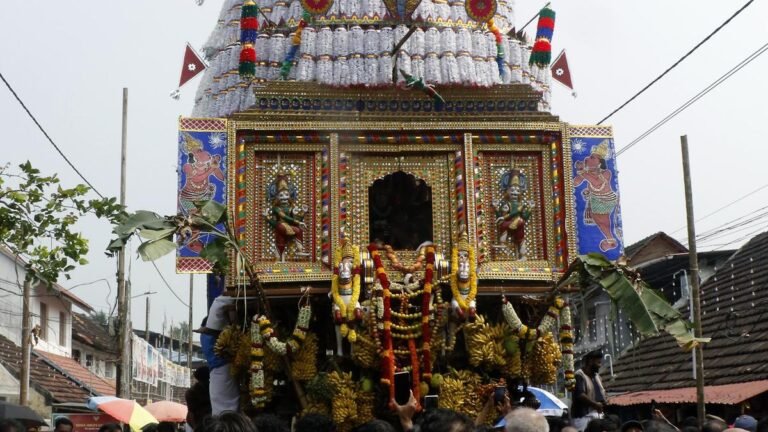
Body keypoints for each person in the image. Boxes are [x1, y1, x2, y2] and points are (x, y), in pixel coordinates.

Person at [572, 351, 606, 432]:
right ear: (590, 361)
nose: (600, 365)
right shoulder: (579, 375)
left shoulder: (597, 376)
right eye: (598, 362)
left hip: (597, 415)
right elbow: (580, 394)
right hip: (583, 417)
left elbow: (602, 392)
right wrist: (595, 404)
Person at [185, 366, 212, 431]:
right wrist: (195, 428)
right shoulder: (192, 392)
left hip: (205, 422)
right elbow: (191, 413)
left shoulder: (190, 392)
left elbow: (191, 413)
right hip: (200, 423)